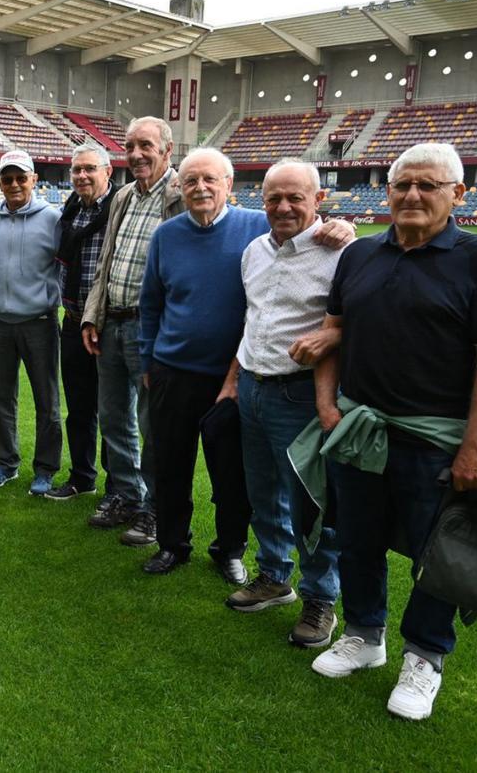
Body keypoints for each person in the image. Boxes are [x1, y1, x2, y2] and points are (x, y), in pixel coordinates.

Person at [308, 143, 477, 721]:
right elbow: (333, 333)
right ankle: (364, 635)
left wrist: (476, 448)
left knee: (438, 552)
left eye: (428, 186)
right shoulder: (359, 256)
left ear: (458, 193)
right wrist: (329, 408)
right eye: (403, 184)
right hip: (358, 430)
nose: (412, 195)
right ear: (388, 190)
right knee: (356, 539)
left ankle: (425, 657)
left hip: (434, 438)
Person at [138, 147, 352, 582]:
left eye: (210, 180)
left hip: (234, 378)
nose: (200, 188)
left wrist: (345, 225)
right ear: (180, 187)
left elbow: (306, 226)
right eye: (191, 180)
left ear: (229, 186)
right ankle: (172, 544)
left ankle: (229, 549)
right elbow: (151, 304)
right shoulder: (167, 235)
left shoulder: (259, 226)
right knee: (171, 465)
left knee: (234, 475)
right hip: (173, 371)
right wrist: (147, 361)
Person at [225, 159, 344, 649]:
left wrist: (330, 336)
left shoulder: (342, 252)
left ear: (319, 200)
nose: (284, 206)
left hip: (300, 396)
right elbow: (254, 319)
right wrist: (234, 379)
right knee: (262, 494)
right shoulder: (254, 250)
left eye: (296, 197)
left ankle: (321, 598)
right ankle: (275, 575)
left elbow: (364, 321)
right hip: (253, 386)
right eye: (274, 197)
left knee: (310, 504)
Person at [80, 117, 181, 544]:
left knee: (153, 423)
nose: (136, 154)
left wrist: (323, 223)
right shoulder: (123, 195)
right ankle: (125, 494)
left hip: (150, 328)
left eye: (146, 145)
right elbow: (107, 262)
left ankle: (156, 509)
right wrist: (92, 315)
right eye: (130, 146)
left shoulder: (182, 193)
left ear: (167, 150)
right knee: (114, 417)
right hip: (113, 322)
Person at [0, 150, 63, 496]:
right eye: (7, 179)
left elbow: (63, 267)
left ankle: (45, 468)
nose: (14, 185)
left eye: (20, 178)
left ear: (34, 180)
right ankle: (7, 462)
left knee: (47, 400)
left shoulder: (53, 218)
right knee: (3, 397)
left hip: (39, 322)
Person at [45, 143, 121, 501]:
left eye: (90, 168)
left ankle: (117, 486)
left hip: (107, 323)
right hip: (73, 320)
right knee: (78, 407)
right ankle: (81, 476)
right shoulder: (71, 208)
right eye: (76, 170)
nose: (82, 176)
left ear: (107, 171)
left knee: (113, 411)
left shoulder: (122, 208)